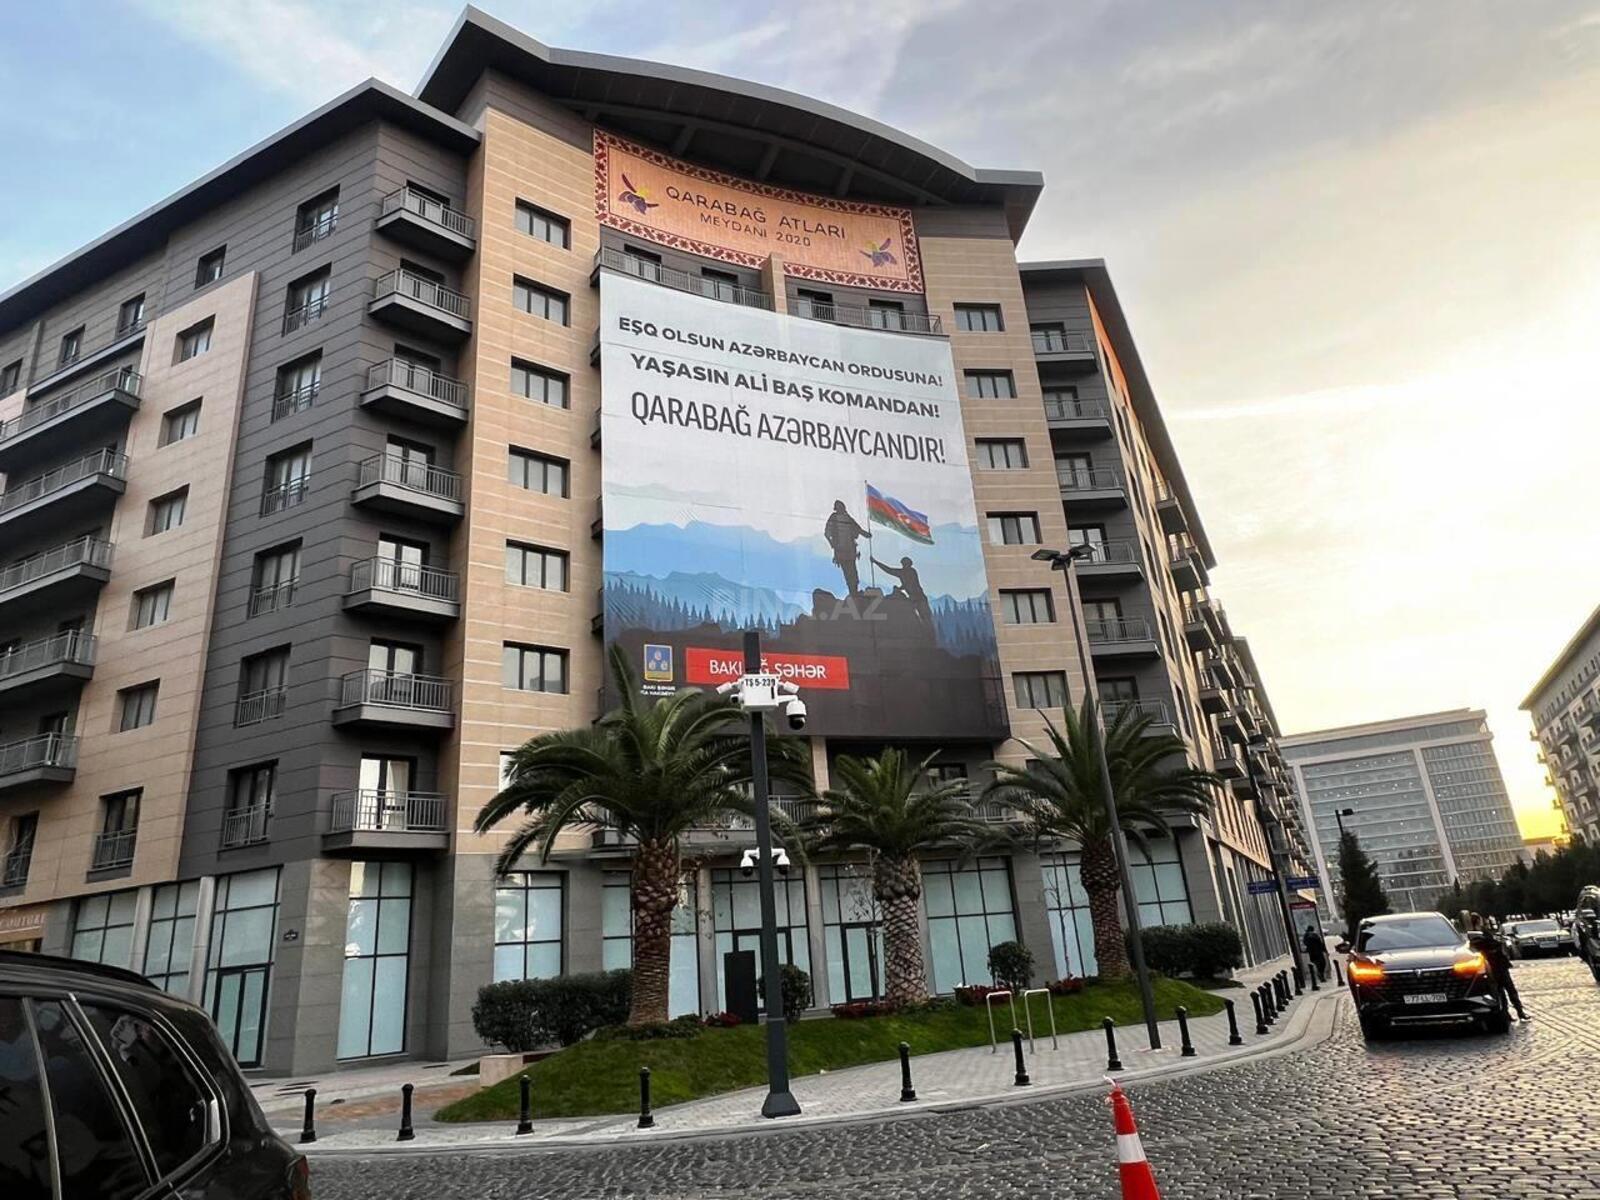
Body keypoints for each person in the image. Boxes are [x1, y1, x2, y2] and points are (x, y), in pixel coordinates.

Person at [1470, 927, 1529, 1022]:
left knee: (1506, 991)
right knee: (1503, 992)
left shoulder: (1483, 939)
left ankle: (1516, 1013)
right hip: (1494, 969)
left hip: (1498, 968)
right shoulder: (1481, 939)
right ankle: (1512, 1013)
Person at [823, 500, 871, 596]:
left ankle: (855, 591)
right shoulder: (833, 518)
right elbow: (827, 533)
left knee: (853, 572)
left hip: (850, 550)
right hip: (841, 551)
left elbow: (857, 528)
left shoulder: (847, 518)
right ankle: (853, 592)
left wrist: (865, 534)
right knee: (848, 573)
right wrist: (833, 544)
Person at [871, 555, 932, 624]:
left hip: (919, 598)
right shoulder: (905, 572)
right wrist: (876, 562)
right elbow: (889, 570)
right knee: (919, 619)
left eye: (905, 564)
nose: (904, 565)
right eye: (903, 564)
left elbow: (909, 583)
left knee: (925, 619)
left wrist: (900, 588)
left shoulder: (909, 572)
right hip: (915, 598)